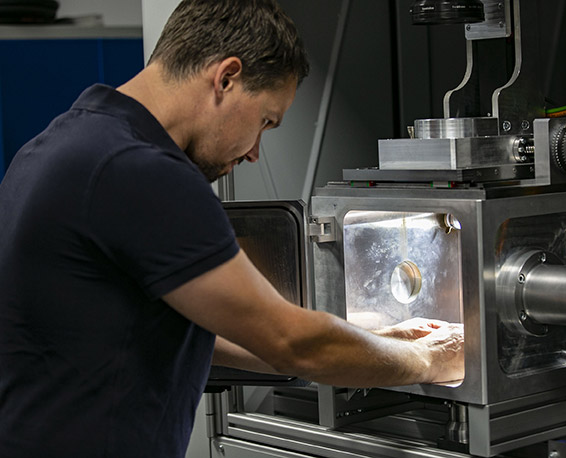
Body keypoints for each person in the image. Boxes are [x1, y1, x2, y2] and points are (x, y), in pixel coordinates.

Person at [0, 0, 464, 457]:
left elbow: (206, 334)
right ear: (226, 77)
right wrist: (434, 360)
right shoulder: (140, 172)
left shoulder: (60, 143)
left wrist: (388, 340)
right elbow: (290, 343)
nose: (255, 153)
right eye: (265, 121)